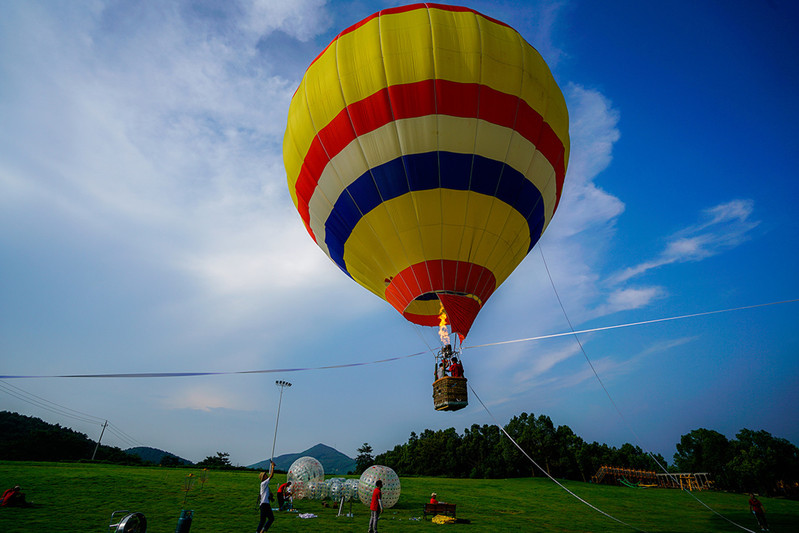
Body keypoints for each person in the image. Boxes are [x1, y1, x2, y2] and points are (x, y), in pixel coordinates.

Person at [256, 461, 275, 532]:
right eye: (265, 475)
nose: (266, 475)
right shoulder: (264, 483)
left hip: (265, 504)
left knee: (265, 520)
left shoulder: (265, 485)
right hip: (264, 504)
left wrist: (270, 495)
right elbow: (272, 475)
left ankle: (261, 531)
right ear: (263, 477)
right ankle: (261, 531)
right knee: (268, 519)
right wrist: (272, 467)